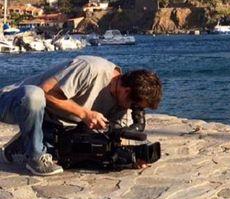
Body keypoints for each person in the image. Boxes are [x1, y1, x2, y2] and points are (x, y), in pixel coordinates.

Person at [0, 55, 162, 176]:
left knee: (76, 146)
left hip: (51, 121)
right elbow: (46, 91)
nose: (133, 110)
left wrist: (133, 157)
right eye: (135, 106)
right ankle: (35, 158)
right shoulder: (91, 69)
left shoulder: (121, 102)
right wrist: (85, 114)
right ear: (126, 91)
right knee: (34, 95)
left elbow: (114, 135)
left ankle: (24, 143)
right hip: (14, 102)